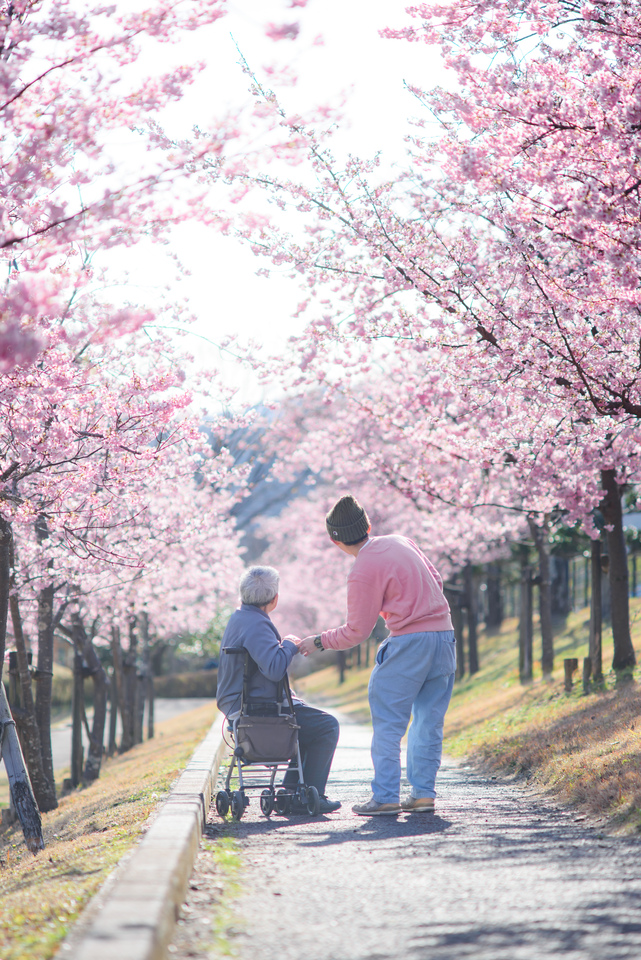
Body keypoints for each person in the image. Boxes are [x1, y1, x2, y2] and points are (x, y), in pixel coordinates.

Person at [298, 495, 456, 817]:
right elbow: (436, 580)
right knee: (428, 721)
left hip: (408, 644)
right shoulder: (402, 541)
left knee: (388, 724)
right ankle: (423, 794)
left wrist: (318, 642)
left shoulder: (362, 570)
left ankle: (385, 796)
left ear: (335, 540)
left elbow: (357, 631)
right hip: (444, 636)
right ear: (368, 525)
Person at [216, 564, 341, 814]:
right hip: (259, 708)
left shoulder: (239, 617)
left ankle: (290, 793)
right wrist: (289, 645)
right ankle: (302, 797)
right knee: (326, 726)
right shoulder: (256, 624)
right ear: (275, 599)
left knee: (310, 724)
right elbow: (274, 668)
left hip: (241, 703)